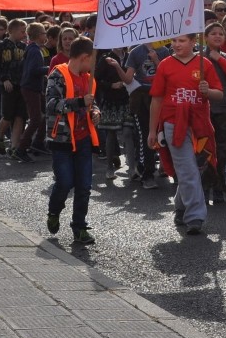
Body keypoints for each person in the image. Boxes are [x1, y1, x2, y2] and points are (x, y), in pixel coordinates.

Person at [148, 34, 223, 235]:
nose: (176, 44)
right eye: (174, 41)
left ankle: (181, 206)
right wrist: (152, 130)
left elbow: (219, 94)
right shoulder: (165, 65)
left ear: (193, 42)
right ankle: (195, 216)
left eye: (181, 41)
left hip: (200, 125)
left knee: (197, 168)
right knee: (188, 170)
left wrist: (208, 91)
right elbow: (156, 99)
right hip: (174, 123)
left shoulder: (204, 64)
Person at [45, 36, 101, 245]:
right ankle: (54, 210)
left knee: (84, 186)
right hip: (62, 140)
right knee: (65, 182)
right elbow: (51, 104)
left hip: (84, 138)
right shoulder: (58, 74)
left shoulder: (89, 79)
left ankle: (79, 227)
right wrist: (78, 102)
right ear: (85, 57)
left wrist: (96, 112)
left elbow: (92, 104)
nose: (94, 65)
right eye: (92, 60)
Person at [123, 42, 171, 188]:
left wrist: (156, 60)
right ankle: (147, 173)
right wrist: (117, 68)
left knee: (163, 134)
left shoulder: (164, 51)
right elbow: (128, 78)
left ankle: (167, 168)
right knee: (145, 135)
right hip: (142, 98)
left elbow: (169, 74)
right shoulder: (135, 52)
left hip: (161, 97)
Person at [202, 22, 226, 204]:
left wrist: (219, 58)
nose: (217, 36)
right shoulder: (198, 57)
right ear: (205, 37)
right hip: (203, 107)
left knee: (222, 148)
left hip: (222, 107)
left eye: (220, 34)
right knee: (203, 148)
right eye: (213, 33)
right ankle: (204, 187)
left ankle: (218, 186)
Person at [0, 18, 28, 156]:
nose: (24, 34)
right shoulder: (1, 45)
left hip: (21, 86)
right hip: (8, 86)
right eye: (22, 31)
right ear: (12, 31)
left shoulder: (24, 47)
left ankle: (14, 146)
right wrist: (4, 79)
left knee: (20, 116)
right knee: (8, 115)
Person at [12, 23, 49, 162]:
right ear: (39, 35)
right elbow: (34, 70)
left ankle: (38, 142)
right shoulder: (34, 50)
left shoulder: (33, 49)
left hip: (33, 87)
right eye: (44, 33)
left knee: (45, 113)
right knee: (36, 119)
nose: (45, 35)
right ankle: (21, 148)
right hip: (31, 88)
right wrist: (49, 68)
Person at [95, 48, 131, 181]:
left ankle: (132, 168)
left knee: (128, 132)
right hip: (111, 101)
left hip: (127, 100)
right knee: (111, 133)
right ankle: (109, 167)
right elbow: (96, 80)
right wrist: (111, 85)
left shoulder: (129, 56)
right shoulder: (105, 58)